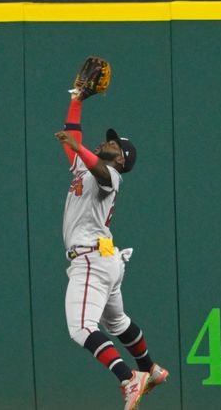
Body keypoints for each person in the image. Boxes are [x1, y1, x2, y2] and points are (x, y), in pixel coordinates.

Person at [54, 86, 169, 410]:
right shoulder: (85, 166)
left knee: (81, 328)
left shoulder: (113, 175)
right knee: (117, 323)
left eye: (114, 143)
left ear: (121, 158)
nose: (107, 141)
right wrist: (76, 100)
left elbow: (99, 169)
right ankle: (150, 369)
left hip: (92, 259)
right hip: (106, 258)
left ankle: (128, 377)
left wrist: (79, 147)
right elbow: (72, 135)